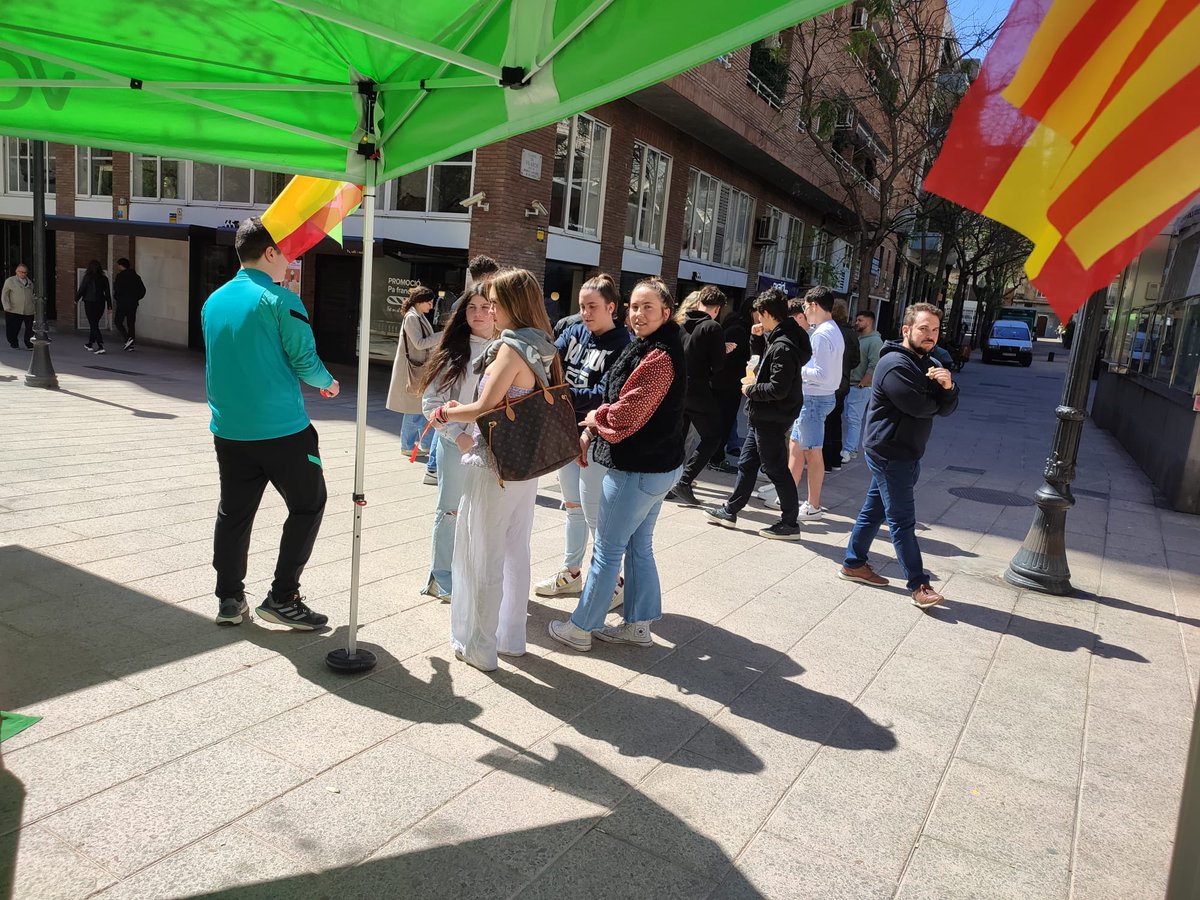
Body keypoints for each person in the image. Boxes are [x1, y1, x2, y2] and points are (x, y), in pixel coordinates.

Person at [202, 217, 340, 629]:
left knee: (234, 511)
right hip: (282, 430)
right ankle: (283, 596)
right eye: (289, 254)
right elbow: (304, 361)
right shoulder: (282, 300)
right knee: (309, 503)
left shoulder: (214, 301)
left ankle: (229, 598)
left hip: (229, 431)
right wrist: (329, 383)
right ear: (269, 253)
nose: (291, 262)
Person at [432, 268, 563, 673]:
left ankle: (481, 647)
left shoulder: (511, 349)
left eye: (494, 301)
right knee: (515, 550)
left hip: (494, 463)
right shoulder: (545, 345)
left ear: (510, 304)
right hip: (526, 465)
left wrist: (446, 412)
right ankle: (511, 638)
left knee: (481, 553)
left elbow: (484, 406)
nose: (490, 308)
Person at [548, 277, 687, 652]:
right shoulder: (652, 346)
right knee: (639, 547)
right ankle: (638, 625)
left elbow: (631, 411)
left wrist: (594, 419)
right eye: (635, 306)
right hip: (658, 465)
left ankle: (581, 628)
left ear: (666, 312)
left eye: (648, 308)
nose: (638, 314)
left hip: (638, 467)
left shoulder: (659, 355)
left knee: (609, 550)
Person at [840, 302, 959, 609]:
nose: (930, 335)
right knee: (902, 520)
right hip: (890, 451)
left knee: (874, 510)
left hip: (906, 451)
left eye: (934, 329)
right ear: (906, 330)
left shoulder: (927, 362)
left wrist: (947, 388)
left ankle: (854, 563)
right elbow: (918, 406)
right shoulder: (895, 363)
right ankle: (919, 584)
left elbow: (946, 408)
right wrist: (938, 392)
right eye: (923, 328)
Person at [535, 274, 631, 602]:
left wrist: (559, 394)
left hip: (595, 437)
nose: (585, 313)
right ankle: (571, 572)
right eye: (581, 307)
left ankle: (614, 582)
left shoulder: (623, 344)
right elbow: (550, 364)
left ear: (612, 307)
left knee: (597, 516)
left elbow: (604, 394)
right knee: (573, 507)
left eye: (592, 307)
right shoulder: (574, 330)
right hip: (565, 430)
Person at [704, 287, 811, 538]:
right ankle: (731, 509)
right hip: (765, 415)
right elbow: (762, 363)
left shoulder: (783, 345)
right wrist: (756, 341)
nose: (757, 319)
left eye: (758, 314)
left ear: (765, 313)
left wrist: (752, 390)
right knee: (747, 463)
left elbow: (778, 387)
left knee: (775, 469)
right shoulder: (782, 336)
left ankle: (789, 523)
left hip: (771, 415)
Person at [419, 285, 496, 601]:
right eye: (472, 307)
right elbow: (430, 402)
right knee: (449, 511)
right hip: (456, 445)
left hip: (492, 447)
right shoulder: (452, 351)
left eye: (485, 306)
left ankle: (472, 571)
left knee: (483, 514)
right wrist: (457, 435)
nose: (478, 313)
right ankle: (441, 576)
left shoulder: (507, 350)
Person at [786, 286, 843, 519]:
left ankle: (813, 505)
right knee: (797, 449)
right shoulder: (831, 329)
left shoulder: (821, 333)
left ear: (813, 305)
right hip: (818, 398)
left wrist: (796, 370)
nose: (805, 312)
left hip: (814, 398)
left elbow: (820, 373)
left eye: (805, 307)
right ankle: (788, 497)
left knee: (811, 452)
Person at [669, 285, 728, 505]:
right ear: (718, 308)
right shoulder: (712, 327)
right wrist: (723, 351)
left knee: (679, 438)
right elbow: (718, 364)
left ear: (699, 302)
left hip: (679, 389)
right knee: (712, 436)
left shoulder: (681, 325)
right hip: (700, 390)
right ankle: (684, 481)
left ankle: (669, 482)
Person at [386, 286, 440, 478]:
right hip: (412, 369)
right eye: (429, 301)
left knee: (419, 407)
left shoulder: (416, 315)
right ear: (419, 301)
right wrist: (441, 336)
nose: (431, 305)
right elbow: (419, 343)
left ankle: (420, 444)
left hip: (418, 367)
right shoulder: (412, 317)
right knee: (414, 408)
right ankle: (407, 445)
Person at [712, 296, 753, 471]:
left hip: (727, 383)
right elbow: (726, 358)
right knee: (723, 422)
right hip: (726, 384)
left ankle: (716, 456)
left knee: (725, 422)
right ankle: (716, 458)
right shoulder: (739, 330)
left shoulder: (738, 325)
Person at [821, 299, 861, 473]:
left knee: (826, 422)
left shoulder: (829, 331)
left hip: (829, 383)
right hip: (843, 382)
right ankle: (835, 460)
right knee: (836, 420)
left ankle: (825, 461)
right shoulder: (851, 333)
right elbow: (855, 360)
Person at [842, 309, 884, 462]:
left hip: (860, 387)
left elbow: (874, 364)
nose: (856, 323)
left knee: (853, 419)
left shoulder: (874, 341)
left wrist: (863, 383)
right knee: (850, 418)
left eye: (860, 320)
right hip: (852, 384)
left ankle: (849, 449)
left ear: (869, 322)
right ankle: (849, 449)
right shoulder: (860, 338)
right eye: (857, 320)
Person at [76, 259, 111, 354]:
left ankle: (100, 345)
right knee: (94, 322)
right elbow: (107, 293)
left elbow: (82, 289)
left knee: (93, 323)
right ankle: (90, 343)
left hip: (89, 302)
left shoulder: (87, 277)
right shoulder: (104, 278)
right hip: (100, 302)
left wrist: (76, 299)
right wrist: (109, 306)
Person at [112, 257, 146, 352]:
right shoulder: (136, 277)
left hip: (122, 302)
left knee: (118, 321)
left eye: (118, 265)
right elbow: (142, 290)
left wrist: (117, 297)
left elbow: (117, 289)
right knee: (131, 323)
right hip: (133, 303)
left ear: (121, 265)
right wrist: (136, 298)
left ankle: (127, 338)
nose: (117, 267)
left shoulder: (120, 276)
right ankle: (130, 343)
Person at [2, 262, 35, 350]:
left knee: (30, 328)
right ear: (17, 272)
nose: (23, 274)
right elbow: (4, 295)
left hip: (28, 309)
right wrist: (6, 306)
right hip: (13, 309)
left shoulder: (30, 283)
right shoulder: (10, 281)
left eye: (25, 272)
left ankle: (29, 344)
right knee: (13, 328)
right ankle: (13, 342)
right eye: (21, 272)